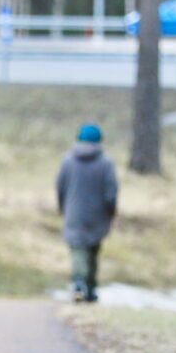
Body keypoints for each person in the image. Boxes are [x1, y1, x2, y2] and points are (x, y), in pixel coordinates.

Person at [56, 123, 118, 302]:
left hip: (74, 213)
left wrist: (63, 208)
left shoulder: (68, 161)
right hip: (98, 215)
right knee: (92, 251)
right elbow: (111, 191)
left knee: (77, 249)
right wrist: (111, 211)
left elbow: (60, 187)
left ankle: (78, 283)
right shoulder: (106, 163)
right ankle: (90, 288)